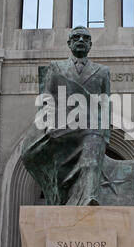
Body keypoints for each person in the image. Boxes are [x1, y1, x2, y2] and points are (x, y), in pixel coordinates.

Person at [21, 26, 111, 206]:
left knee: (91, 162)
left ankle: (89, 198)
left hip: (90, 126)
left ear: (90, 44)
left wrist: (104, 135)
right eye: (76, 37)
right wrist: (49, 125)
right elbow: (48, 98)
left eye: (85, 38)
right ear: (69, 43)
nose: (81, 40)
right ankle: (63, 198)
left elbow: (105, 105)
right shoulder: (56, 67)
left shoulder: (102, 71)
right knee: (59, 171)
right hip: (63, 126)